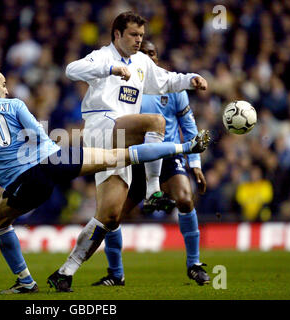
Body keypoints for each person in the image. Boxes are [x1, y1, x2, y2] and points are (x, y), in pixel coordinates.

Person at [0, 69, 210, 294]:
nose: (7, 88)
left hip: (26, 180)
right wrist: (60, 159)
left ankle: (25, 281)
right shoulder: (15, 104)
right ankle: (185, 146)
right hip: (54, 160)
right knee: (116, 157)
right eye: (3, 84)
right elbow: (37, 135)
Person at [47, 11, 208, 292]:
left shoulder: (142, 62)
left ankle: (64, 271)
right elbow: (71, 70)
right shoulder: (103, 56)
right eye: (133, 35)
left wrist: (190, 79)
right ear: (117, 34)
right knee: (156, 122)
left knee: (109, 216)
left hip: (121, 142)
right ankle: (153, 190)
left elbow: (166, 81)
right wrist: (109, 70)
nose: (138, 40)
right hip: (102, 128)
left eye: (141, 36)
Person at [92, 41, 210, 288]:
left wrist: (195, 162)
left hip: (166, 155)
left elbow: (188, 126)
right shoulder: (122, 85)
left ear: (157, 58)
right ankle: (116, 274)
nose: (148, 57)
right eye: (143, 53)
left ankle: (194, 264)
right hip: (132, 157)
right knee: (112, 216)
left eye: (152, 53)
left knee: (185, 198)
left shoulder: (172, 86)